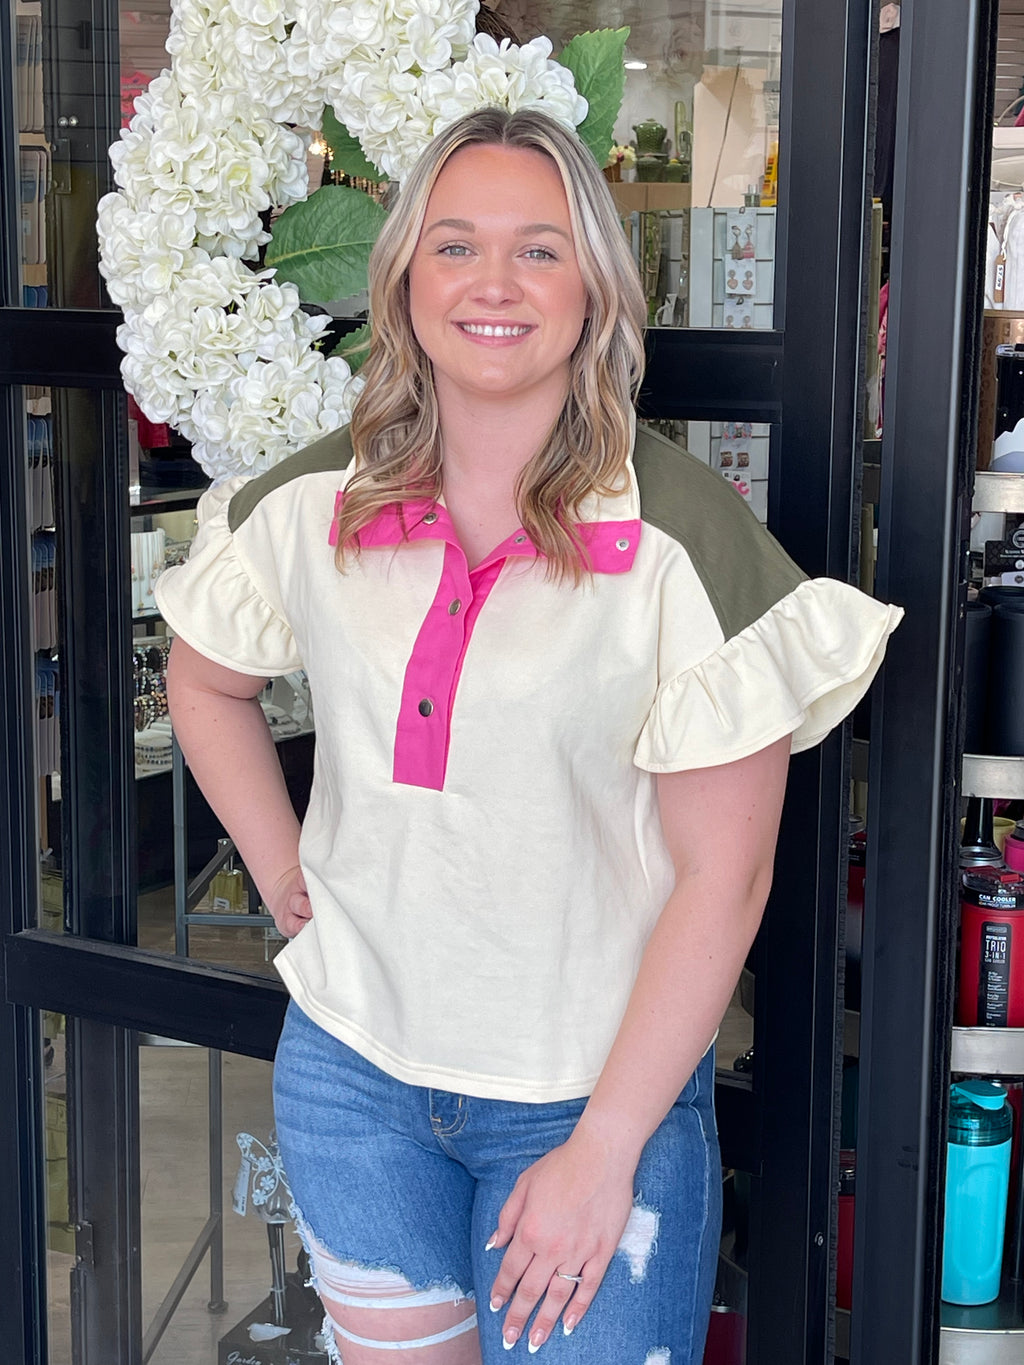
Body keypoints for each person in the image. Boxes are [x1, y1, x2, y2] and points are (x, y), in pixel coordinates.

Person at [158, 107, 902, 1365]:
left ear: (596, 289)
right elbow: (204, 682)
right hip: (352, 1078)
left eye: (539, 250)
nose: (492, 284)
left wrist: (603, 1149)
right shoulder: (314, 500)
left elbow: (727, 880)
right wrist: (286, 874)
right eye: (454, 246)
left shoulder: (679, 540)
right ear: (404, 280)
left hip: (586, 1098)